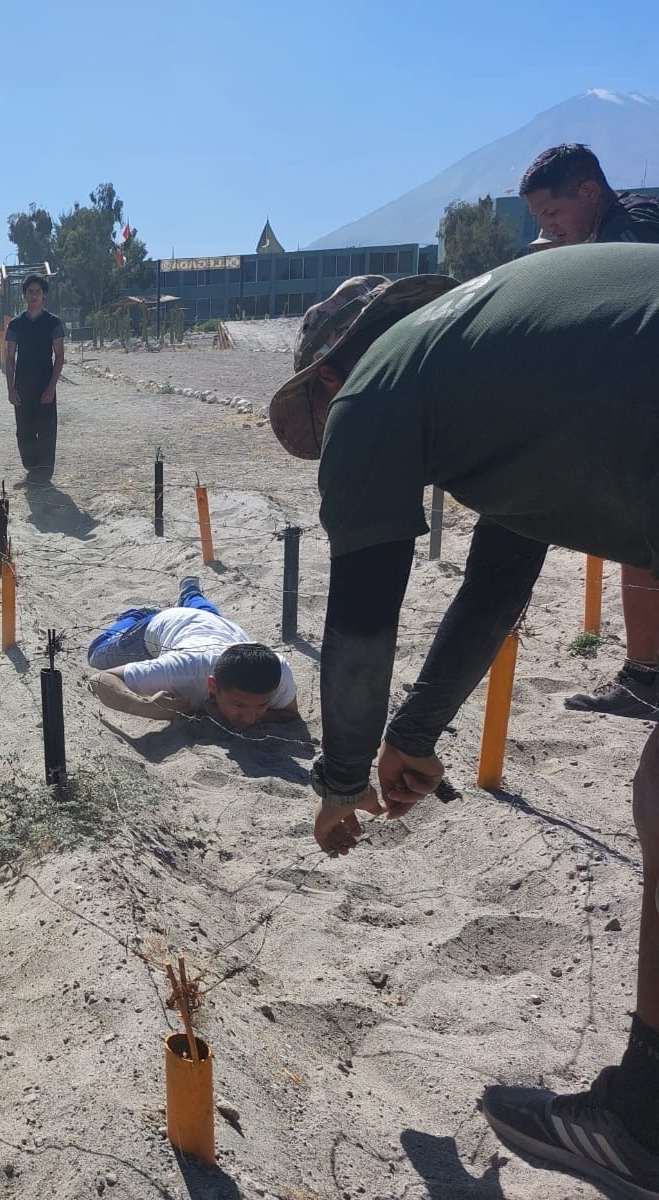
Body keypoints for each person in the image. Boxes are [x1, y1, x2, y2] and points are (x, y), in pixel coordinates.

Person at [266, 245, 659, 1198]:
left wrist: (338, 784)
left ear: (327, 380)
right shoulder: (494, 357)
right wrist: (417, 735)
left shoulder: (369, 393)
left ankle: (645, 1124)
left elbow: (363, 615)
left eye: (319, 441)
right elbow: (496, 580)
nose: (334, 457)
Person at [518, 143, 659, 720]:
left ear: (588, 193)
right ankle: (645, 674)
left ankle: (645, 676)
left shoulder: (629, 244)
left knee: (640, 534)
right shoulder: (622, 226)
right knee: (638, 538)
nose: (549, 229)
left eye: (553, 216)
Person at [86, 577, 299, 728]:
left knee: (207, 616)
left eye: (262, 706)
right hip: (161, 626)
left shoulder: (276, 671)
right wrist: (147, 707)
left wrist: (216, 713)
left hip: (220, 627)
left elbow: (289, 713)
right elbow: (101, 680)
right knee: (96, 655)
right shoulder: (180, 670)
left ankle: (191, 594)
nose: (250, 718)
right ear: (213, 685)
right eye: (239, 705)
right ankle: (138, 614)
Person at [2, 274, 64, 481]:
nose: (34, 295)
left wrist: (52, 387)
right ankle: (32, 470)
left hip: (45, 384)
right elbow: (10, 358)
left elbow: (60, 355)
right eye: (30, 291)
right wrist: (10, 388)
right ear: (25, 295)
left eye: (38, 291)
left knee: (47, 430)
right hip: (22, 385)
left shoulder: (53, 322)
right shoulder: (16, 325)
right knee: (24, 431)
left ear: (44, 295)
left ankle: (44, 475)